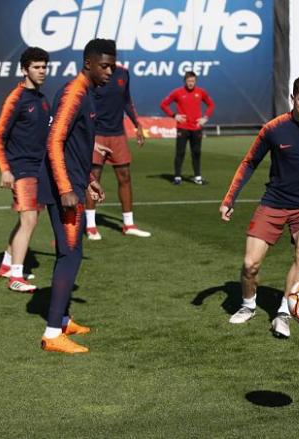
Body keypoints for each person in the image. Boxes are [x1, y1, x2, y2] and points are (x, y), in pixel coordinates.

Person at [219, 75, 299, 339]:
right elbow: (249, 162)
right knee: (250, 264)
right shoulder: (273, 129)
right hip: (274, 201)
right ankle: (248, 305)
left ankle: (284, 312)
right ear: (293, 99)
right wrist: (230, 198)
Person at [36, 39, 112, 354]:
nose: (110, 71)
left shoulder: (87, 93)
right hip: (61, 188)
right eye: (104, 65)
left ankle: (64, 320)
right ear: (88, 64)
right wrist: (67, 187)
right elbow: (54, 141)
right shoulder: (73, 93)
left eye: (112, 65)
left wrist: (89, 179)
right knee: (69, 254)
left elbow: (75, 148)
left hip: (74, 183)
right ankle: (53, 334)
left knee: (74, 251)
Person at [0, 47, 50, 293]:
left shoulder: (41, 99)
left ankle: (6, 263)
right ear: (25, 69)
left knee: (30, 219)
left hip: (40, 168)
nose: (42, 71)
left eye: (44, 67)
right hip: (21, 168)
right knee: (29, 220)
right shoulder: (15, 98)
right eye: (37, 67)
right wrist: (6, 169)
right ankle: (16, 276)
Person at [85, 40, 150, 240]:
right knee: (93, 178)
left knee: (125, 176)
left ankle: (128, 224)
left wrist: (137, 123)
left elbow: (126, 100)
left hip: (118, 134)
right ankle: (90, 225)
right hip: (97, 133)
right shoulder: (94, 75)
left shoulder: (123, 73)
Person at [160, 71, 215, 185]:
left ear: (196, 81)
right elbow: (163, 104)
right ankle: (177, 177)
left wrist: (205, 117)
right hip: (183, 127)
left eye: (193, 81)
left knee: (196, 153)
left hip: (196, 127)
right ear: (185, 81)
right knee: (180, 152)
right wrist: (174, 115)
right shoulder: (177, 92)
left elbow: (211, 104)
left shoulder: (201, 92)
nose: (191, 83)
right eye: (189, 81)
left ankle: (197, 177)